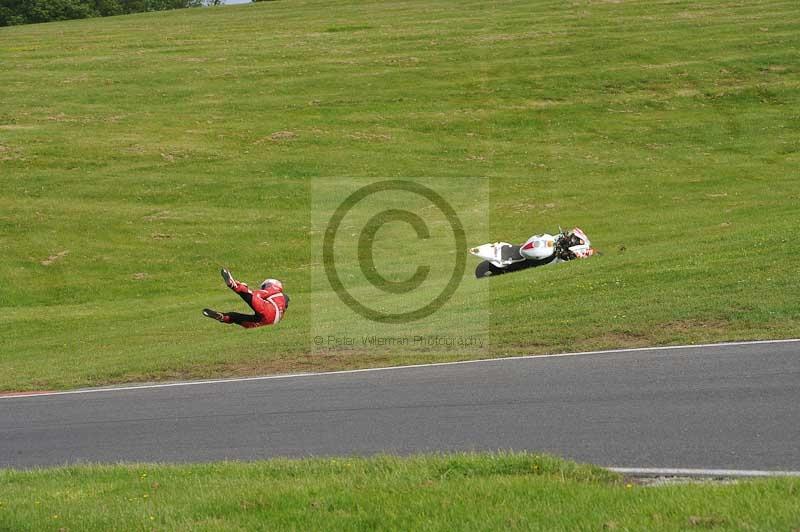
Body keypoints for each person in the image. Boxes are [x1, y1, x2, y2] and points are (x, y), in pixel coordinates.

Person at [203, 268, 289, 328]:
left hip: (269, 311)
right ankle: (222, 317)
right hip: (270, 322)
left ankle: (234, 285)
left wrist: (245, 288)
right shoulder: (282, 298)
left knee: (247, 295)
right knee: (235, 317)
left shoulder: (274, 290)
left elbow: (256, 295)